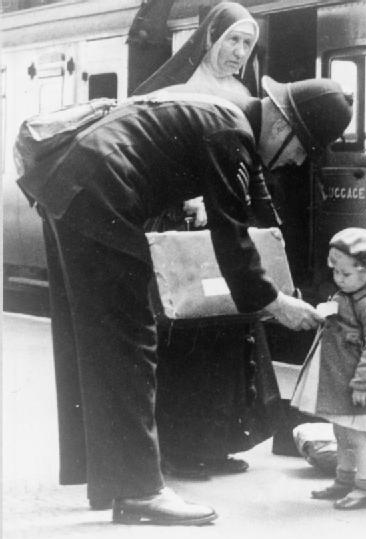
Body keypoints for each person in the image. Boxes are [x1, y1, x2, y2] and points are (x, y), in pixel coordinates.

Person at [20, 74, 352, 524]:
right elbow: (229, 233)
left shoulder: (232, 121)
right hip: (101, 192)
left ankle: (111, 480)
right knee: (131, 341)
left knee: (101, 339)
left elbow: (259, 208)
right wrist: (274, 302)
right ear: (282, 124)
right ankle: (138, 492)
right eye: (300, 148)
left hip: (72, 184)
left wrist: (287, 286)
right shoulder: (231, 133)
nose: (295, 161)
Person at [133, 2, 280, 479]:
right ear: (210, 38)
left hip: (222, 222)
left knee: (228, 331)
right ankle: (177, 447)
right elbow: (148, 161)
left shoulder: (244, 93)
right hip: (177, 226)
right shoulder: (171, 90)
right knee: (186, 336)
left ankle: (216, 441)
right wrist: (187, 201)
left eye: (247, 43)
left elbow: (248, 166)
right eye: (232, 40)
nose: (239, 52)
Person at [292, 228, 366, 511]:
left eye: (345, 274)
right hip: (342, 382)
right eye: (335, 272)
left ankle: (365, 489)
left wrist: (364, 384)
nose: (338, 279)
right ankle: (344, 480)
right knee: (341, 433)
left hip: (359, 386)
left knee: (359, 438)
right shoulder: (348, 294)